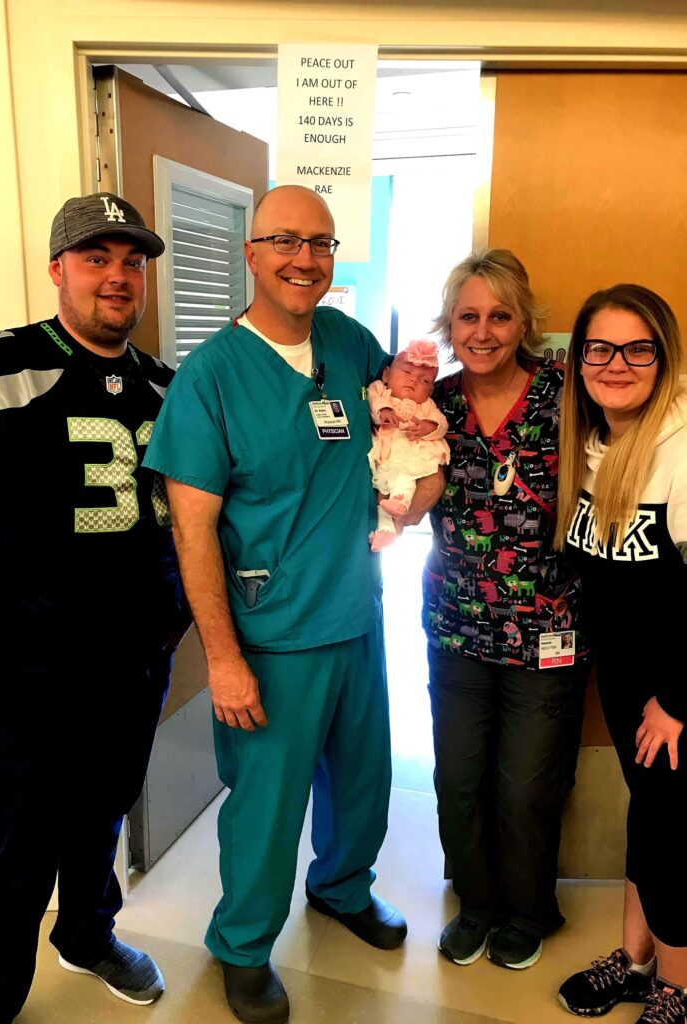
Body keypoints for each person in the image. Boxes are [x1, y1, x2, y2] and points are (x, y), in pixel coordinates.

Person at [145, 185, 432, 1024]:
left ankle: (343, 888)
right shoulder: (210, 379)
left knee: (364, 780)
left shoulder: (347, 342)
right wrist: (223, 660)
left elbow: (407, 421)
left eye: (321, 243)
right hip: (271, 635)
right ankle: (240, 944)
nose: (305, 259)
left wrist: (423, 489)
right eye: (285, 241)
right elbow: (192, 534)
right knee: (268, 808)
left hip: (357, 615)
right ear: (252, 253)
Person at [0, 192, 190, 1024]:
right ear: (58, 269)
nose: (118, 277)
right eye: (97, 258)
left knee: (103, 810)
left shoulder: (163, 385)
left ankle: (87, 934)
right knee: (18, 840)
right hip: (24, 664)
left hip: (134, 657)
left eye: (132, 261)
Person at [422, 248, 590, 971]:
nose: (483, 331)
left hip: (549, 629)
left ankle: (528, 910)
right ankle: (478, 904)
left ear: (525, 323)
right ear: (450, 324)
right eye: (468, 316)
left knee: (526, 787)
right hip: (456, 624)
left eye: (499, 316)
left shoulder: (569, 393)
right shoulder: (433, 405)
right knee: (458, 778)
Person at [555, 284, 687, 1023]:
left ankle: (680, 987)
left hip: (673, 691)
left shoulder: (683, 439)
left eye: (638, 348)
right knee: (651, 820)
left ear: (663, 356)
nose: (616, 363)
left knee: (676, 838)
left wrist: (677, 701)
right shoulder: (598, 438)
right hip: (629, 677)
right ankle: (636, 963)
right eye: (599, 347)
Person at [368, 339, 449, 550]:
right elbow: (372, 400)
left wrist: (428, 427)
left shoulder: (426, 405)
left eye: (424, 381)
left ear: (431, 390)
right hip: (386, 454)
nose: (413, 381)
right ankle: (386, 531)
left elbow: (442, 423)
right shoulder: (380, 390)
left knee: (406, 478)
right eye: (406, 373)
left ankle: (401, 506)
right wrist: (383, 411)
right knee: (382, 496)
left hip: (411, 453)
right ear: (386, 375)